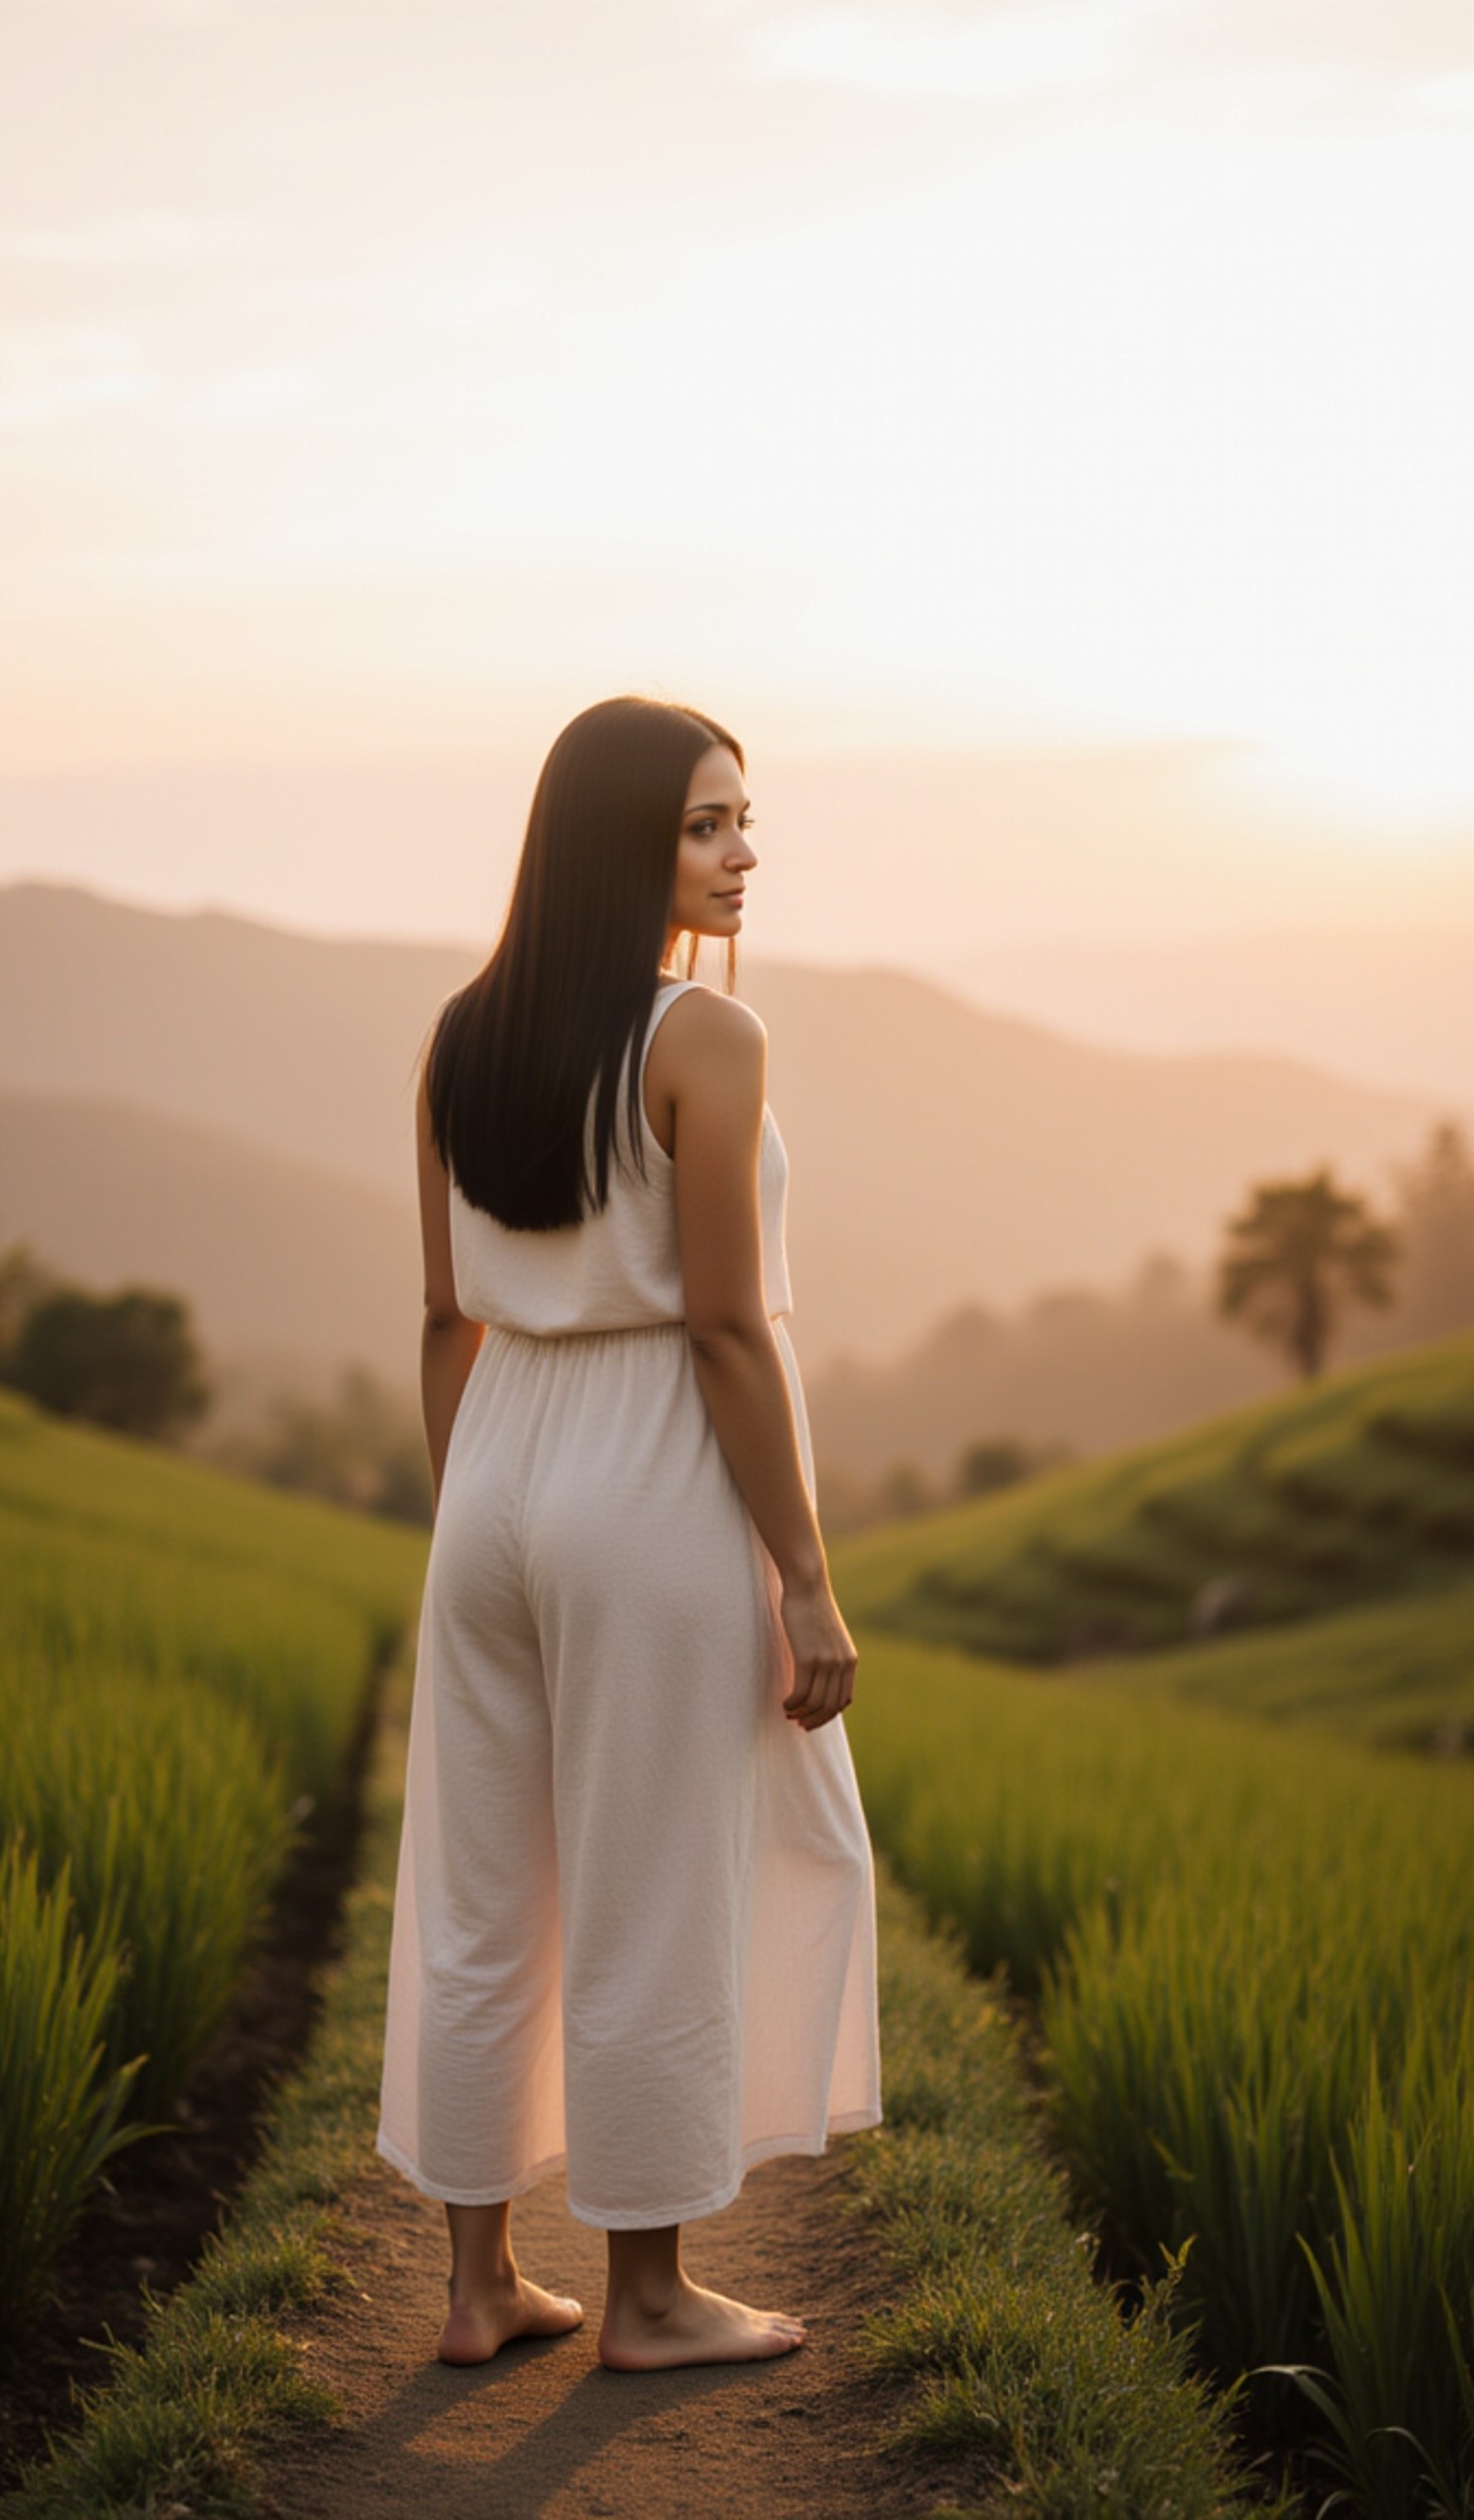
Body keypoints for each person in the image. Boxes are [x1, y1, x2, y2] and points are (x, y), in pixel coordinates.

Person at [376, 694, 880, 2373]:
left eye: (743, 821)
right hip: (649, 1475)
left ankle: (478, 2284)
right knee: (653, 1884)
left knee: (482, 1890)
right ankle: (649, 2298)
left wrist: (473, 1518)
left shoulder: (461, 1036)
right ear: (624, 846)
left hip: (494, 1468)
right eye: (705, 825)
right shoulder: (705, 1040)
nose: (743, 855)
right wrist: (806, 1577)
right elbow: (726, 1329)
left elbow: (443, 1315)